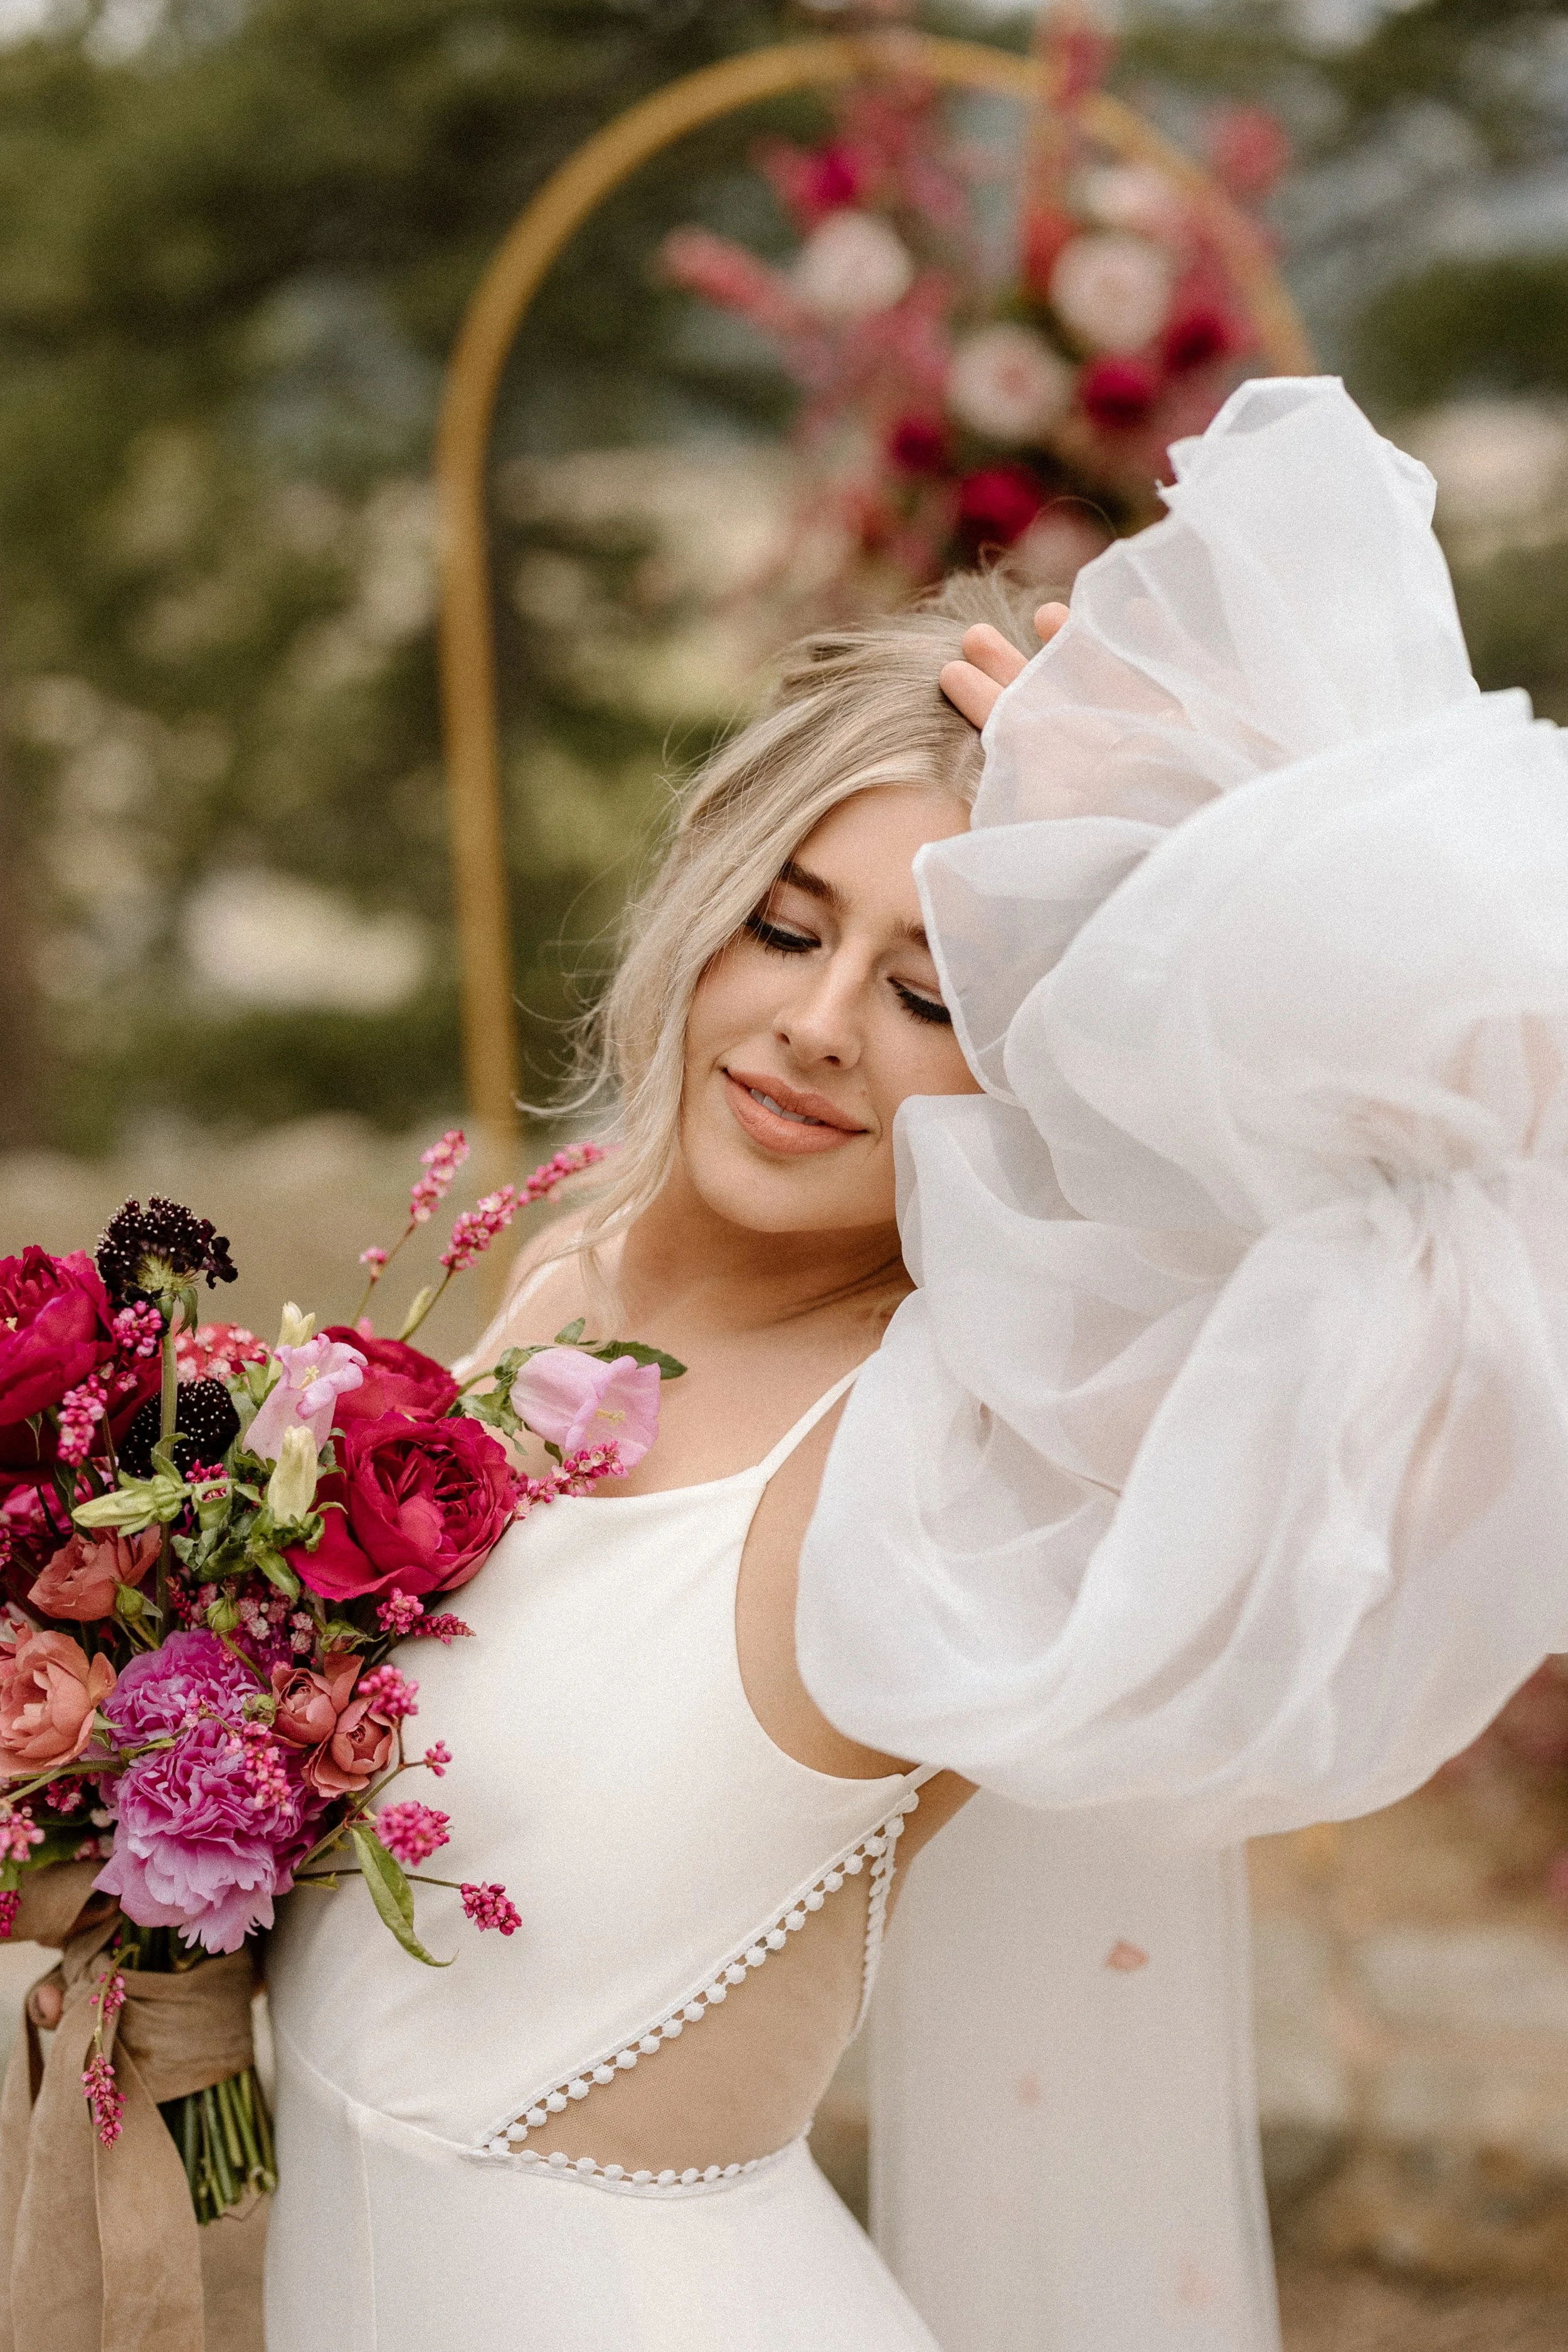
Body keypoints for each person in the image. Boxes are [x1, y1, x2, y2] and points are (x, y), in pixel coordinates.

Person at [264, 375, 1568, 2352]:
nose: (814, 1028)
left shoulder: (985, 1441)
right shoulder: (557, 1277)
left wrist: (1228, 865)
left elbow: (1497, 1305)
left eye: (930, 991)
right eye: (785, 930)